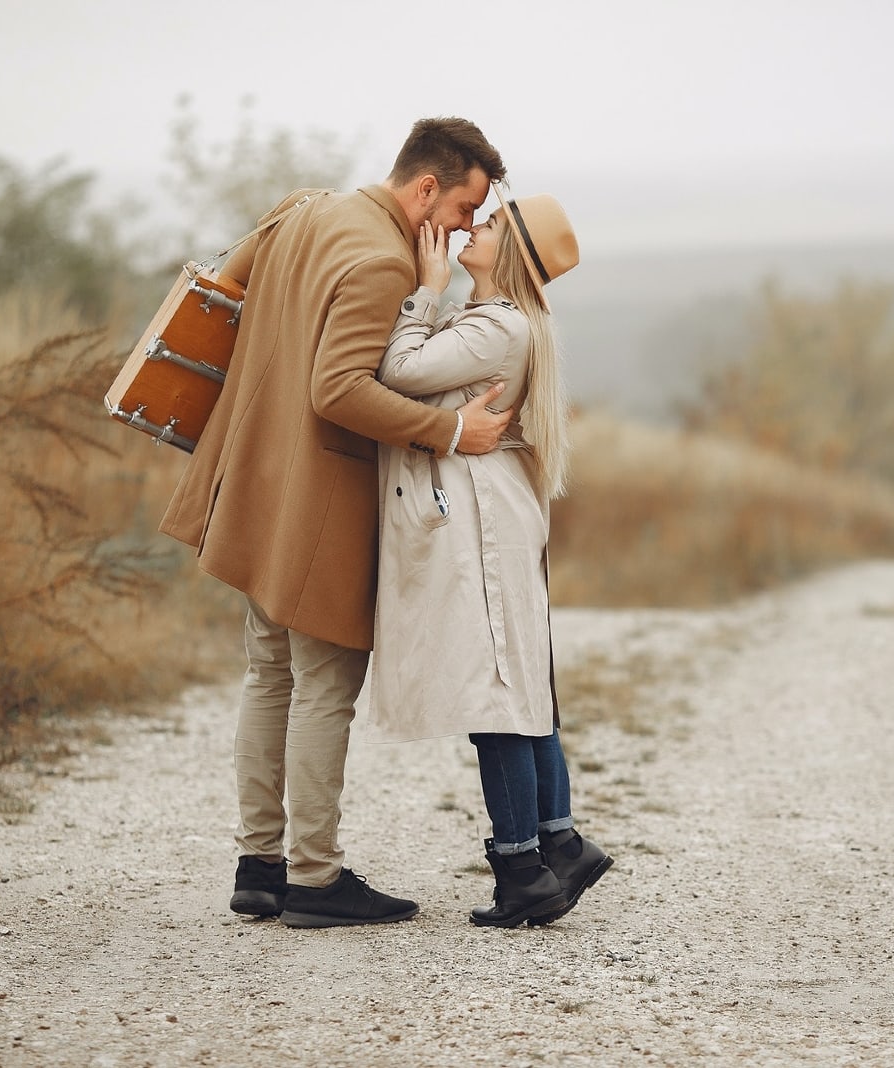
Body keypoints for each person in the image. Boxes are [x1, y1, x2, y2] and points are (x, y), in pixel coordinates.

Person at [159, 117, 512, 929]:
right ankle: (315, 881)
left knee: (269, 675)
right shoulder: (384, 260)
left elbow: (224, 293)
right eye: (463, 209)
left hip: (253, 476)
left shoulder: (302, 209)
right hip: (319, 500)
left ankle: (259, 867)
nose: (463, 230)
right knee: (322, 686)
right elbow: (339, 389)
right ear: (426, 189)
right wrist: (452, 430)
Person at [369, 187, 612, 927]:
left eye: (494, 223)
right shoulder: (507, 323)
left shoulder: (497, 326)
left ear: (514, 254)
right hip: (495, 507)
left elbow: (397, 373)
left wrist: (426, 292)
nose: (476, 225)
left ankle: (520, 868)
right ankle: (556, 842)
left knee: (495, 690)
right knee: (516, 678)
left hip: (481, 512)